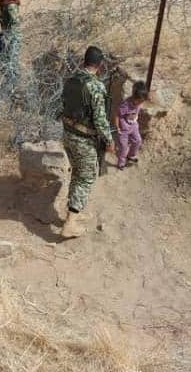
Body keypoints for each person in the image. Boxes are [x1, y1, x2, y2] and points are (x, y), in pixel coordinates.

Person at [61, 45, 115, 239]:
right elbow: (100, 120)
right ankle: (70, 223)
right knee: (85, 177)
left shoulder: (72, 80)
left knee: (77, 173)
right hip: (84, 139)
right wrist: (109, 140)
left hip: (68, 134)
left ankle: (74, 210)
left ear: (84, 61)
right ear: (100, 65)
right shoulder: (95, 86)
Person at [115, 80, 148, 170]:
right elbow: (118, 115)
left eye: (142, 101)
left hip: (133, 126)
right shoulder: (125, 105)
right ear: (134, 98)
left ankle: (131, 155)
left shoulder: (139, 101)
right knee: (123, 147)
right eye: (140, 101)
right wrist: (118, 127)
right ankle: (121, 163)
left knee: (138, 141)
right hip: (124, 128)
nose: (141, 103)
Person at [0, 0, 21, 89]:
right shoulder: (3, 3)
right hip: (6, 34)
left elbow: (16, 21)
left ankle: (15, 84)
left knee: (12, 59)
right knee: (6, 58)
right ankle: (11, 80)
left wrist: (9, 34)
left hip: (13, 36)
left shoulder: (10, 5)